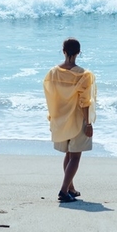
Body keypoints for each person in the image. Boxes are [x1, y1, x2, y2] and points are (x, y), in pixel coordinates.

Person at [43, 37, 96, 203]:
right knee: (75, 157)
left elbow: (51, 96)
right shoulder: (84, 75)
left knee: (68, 154)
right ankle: (64, 191)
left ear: (63, 51)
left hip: (61, 118)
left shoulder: (52, 73)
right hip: (77, 118)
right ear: (79, 52)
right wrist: (88, 123)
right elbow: (85, 102)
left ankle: (71, 187)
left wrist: (53, 117)